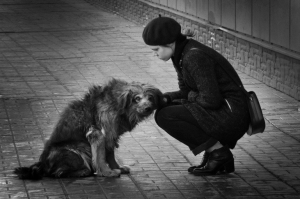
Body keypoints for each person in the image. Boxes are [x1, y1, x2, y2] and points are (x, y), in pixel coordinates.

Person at [142, 16, 250, 176]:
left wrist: (188, 97)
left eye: (156, 50)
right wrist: (165, 99)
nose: (155, 54)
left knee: (166, 116)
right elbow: (186, 91)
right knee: (166, 108)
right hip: (225, 110)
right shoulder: (180, 54)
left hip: (232, 115)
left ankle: (219, 153)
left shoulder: (193, 57)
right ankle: (215, 152)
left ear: (170, 43)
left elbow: (211, 100)